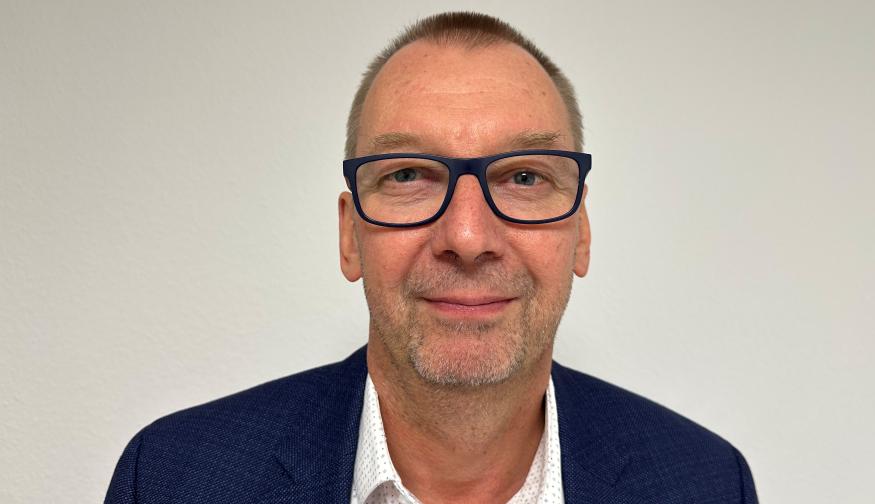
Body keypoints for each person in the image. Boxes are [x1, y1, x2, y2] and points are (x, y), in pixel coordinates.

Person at [105, 11, 757, 504]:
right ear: (349, 234)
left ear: (580, 232)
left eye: (525, 178)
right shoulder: (173, 480)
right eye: (410, 175)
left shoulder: (705, 484)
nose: (467, 237)